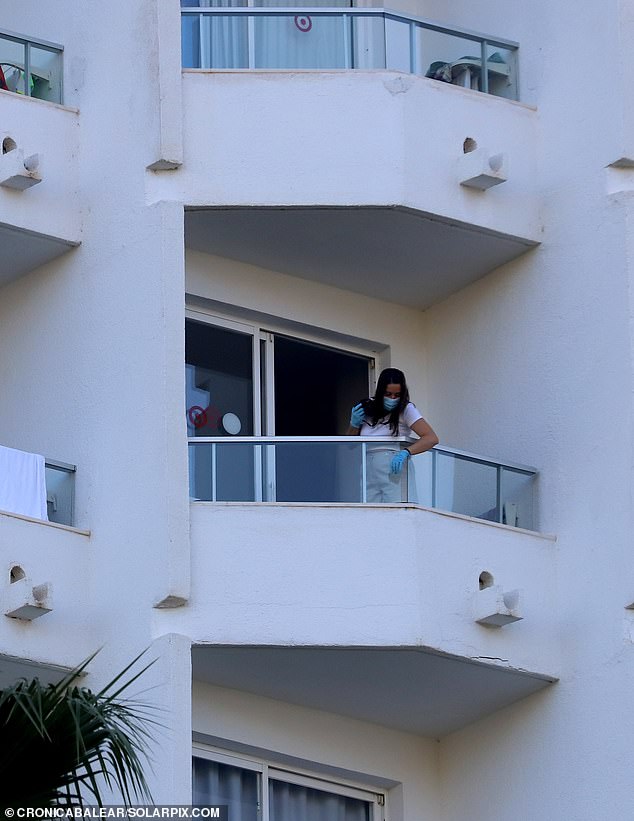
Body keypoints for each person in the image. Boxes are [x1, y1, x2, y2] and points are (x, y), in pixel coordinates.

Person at [347, 368, 438, 503]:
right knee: (369, 514)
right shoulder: (367, 407)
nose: (393, 399)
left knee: (399, 510)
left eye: (397, 395)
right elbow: (350, 445)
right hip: (368, 465)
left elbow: (431, 438)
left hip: (393, 463)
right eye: (388, 394)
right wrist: (353, 424)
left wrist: (406, 452)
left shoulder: (406, 409)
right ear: (380, 391)